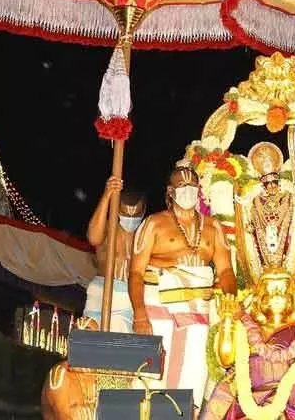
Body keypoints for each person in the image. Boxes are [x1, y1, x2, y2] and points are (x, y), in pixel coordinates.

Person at [130, 164, 237, 410]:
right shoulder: (154, 223)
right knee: (152, 377)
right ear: (170, 191)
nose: (188, 191)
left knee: (193, 373)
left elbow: (225, 270)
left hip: (198, 312)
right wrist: (139, 314)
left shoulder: (213, 227)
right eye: (182, 187)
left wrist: (230, 298)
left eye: (192, 186)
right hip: (157, 309)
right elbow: (136, 272)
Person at [202, 268, 295, 420]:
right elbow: (225, 360)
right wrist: (228, 320)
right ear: (258, 299)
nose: (277, 297)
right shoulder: (245, 325)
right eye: (270, 292)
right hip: (253, 394)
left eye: (282, 291)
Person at [235, 142, 295, 288]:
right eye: (267, 184)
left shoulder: (287, 195)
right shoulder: (256, 198)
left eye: (274, 182)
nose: (271, 186)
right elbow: (246, 207)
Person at [83, 176, 146, 333]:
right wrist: (107, 195)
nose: (130, 218)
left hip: (127, 297)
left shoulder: (146, 233)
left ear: (143, 211)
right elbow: (93, 238)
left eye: (135, 214)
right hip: (101, 290)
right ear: (117, 209)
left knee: (118, 346)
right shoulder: (107, 228)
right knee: (88, 340)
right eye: (125, 213)